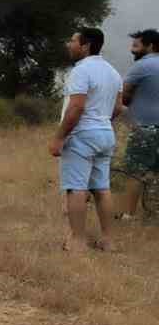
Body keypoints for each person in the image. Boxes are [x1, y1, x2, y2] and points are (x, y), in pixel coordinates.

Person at [48, 26, 125, 251]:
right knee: (102, 188)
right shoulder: (113, 72)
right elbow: (118, 107)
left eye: (73, 41)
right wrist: (103, 123)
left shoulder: (81, 71)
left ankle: (78, 241)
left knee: (76, 188)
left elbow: (76, 107)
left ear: (86, 45)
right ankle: (109, 240)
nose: (69, 44)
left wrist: (59, 138)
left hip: (82, 134)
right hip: (105, 133)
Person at [114, 27, 159, 220]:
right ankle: (153, 213)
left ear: (150, 46)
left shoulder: (142, 66)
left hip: (145, 127)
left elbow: (123, 94)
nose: (132, 50)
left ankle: (129, 214)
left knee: (135, 171)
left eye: (136, 46)